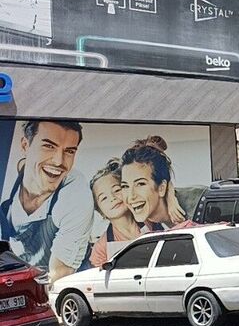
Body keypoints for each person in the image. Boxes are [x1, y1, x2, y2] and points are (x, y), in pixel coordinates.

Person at [0, 120, 93, 283]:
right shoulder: (5, 184)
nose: (58, 161)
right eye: (49, 146)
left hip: (57, 288)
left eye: (69, 151)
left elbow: (60, 274)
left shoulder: (75, 192)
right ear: (25, 146)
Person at [120, 136, 193, 231]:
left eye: (140, 184)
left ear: (162, 188)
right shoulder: (140, 223)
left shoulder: (196, 207)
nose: (131, 197)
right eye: (125, 186)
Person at [87, 159, 143, 269]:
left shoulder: (155, 223)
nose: (112, 198)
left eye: (117, 190)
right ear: (100, 211)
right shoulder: (100, 249)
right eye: (104, 198)